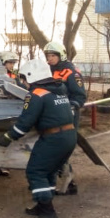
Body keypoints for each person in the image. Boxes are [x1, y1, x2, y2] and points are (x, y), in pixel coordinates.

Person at [0, 59, 77, 218]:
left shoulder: (36, 94)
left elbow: (25, 122)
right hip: (69, 136)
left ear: (32, 76)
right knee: (49, 171)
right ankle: (42, 205)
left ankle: (48, 212)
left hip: (54, 138)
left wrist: (8, 137)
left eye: (24, 78)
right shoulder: (59, 90)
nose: (23, 82)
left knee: (35, 171)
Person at [43, 41, 87, 195]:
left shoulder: (71, 72)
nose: (50, 58)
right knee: (54, 149)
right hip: (51, 115)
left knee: (61, 148)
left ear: (61, 55)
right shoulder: (47, 71)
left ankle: (68, 182)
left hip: (67, 116)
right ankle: (57, 181)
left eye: (53, 55)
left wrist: (71, 107)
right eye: (48, 55)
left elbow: (80, 96)